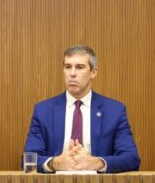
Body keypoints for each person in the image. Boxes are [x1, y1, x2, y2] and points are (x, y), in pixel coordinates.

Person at [23, 45, 140, 173]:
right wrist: (55, 163)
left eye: (80, 67)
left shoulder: (114, 111)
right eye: (68, 67)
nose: (72, 73)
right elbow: (28, 159)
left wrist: (97, 163)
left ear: (93, 72)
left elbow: (131, 158)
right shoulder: (43, 111)